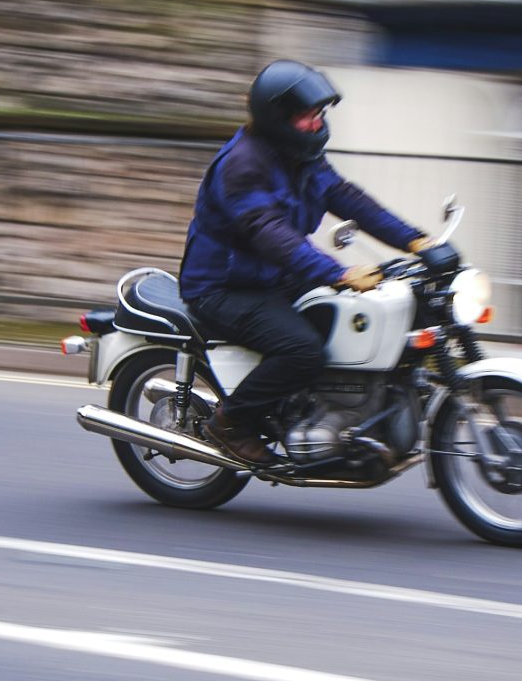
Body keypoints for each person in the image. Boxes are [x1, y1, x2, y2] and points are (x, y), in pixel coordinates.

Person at [180, 59, 430, 466]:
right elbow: (269, 232)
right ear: (276, 117)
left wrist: (416, 240)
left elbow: (348, 198)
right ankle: (231, 424)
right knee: (302, 351)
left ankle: (343, 413)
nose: (316, 124)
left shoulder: (300, 156)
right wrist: (339, 273)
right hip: (225, 288)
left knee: (360, 313)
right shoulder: (242, 165)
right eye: (306, 116)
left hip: (275, 278)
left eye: (319, 114)